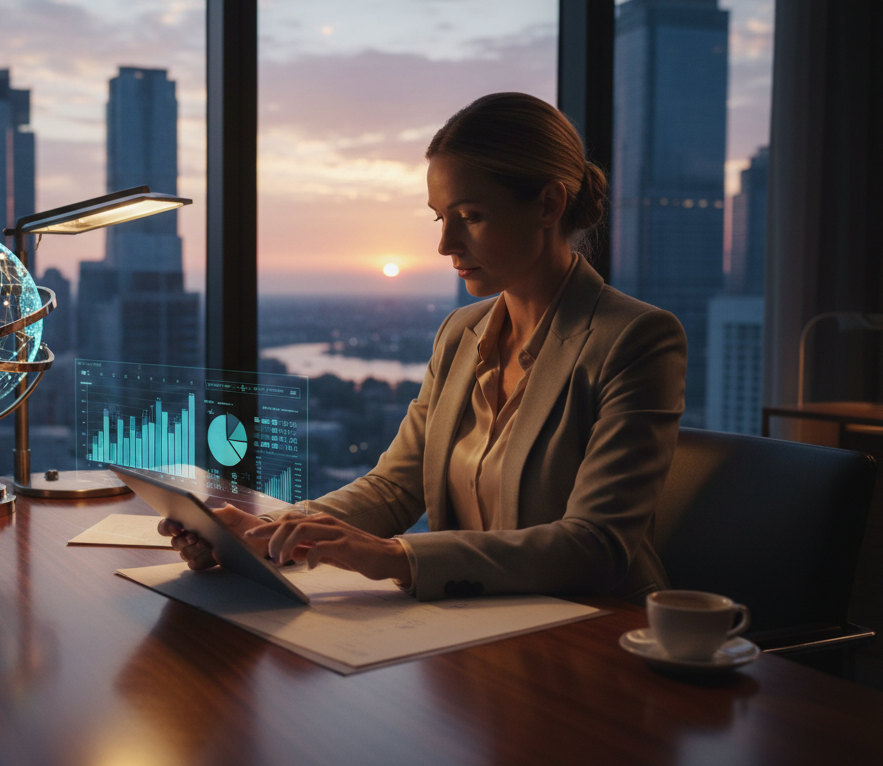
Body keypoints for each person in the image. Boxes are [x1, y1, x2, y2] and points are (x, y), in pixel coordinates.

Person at [160, 92, 686, 601]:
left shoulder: (636, 340)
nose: (446, 245)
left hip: (596, 637)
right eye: (441, 218)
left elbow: (596, 546)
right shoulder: (460, 334)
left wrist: (399, 558)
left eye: (471, 216)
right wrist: (263, 531)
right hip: (477, 631)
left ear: (548, 204)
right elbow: (395, 487)